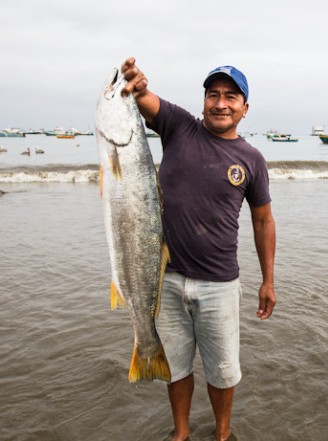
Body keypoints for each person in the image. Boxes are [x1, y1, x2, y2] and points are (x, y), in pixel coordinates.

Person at [121, 57, 276, 441]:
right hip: (165, 279)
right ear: (204, 101)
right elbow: (145, 98)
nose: (220, 103)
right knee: (175, 366)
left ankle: (222, 434)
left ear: (245, 108)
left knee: (222, 370)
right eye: (213, 95)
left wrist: (268, 281)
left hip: (219, 285)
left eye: (231, 97)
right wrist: (136, 84)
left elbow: (263, 221)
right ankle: (181, 433)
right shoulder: (178, 127)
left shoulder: (252, 159)